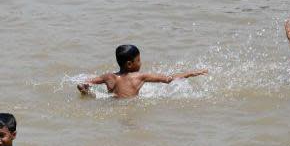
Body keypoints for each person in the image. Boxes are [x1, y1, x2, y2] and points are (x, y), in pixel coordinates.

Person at [77, 44, 208, 99]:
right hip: (130, 106)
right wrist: (190, 73)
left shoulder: (109, 77)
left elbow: (87, 82)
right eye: (138, 60)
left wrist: (85, 87)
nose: (141, 63)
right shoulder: (139, 77)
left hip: (111, 103)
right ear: (129, 64)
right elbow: (168, 79)